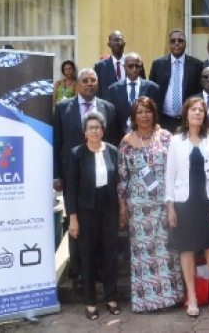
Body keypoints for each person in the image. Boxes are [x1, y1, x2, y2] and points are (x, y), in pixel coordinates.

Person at [54, 68, 121, 290]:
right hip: (74, 178)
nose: (90, 84)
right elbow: (57, 143)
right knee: (76, 226)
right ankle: (79, 272)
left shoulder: (107, 108)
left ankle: (99, 269)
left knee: (100, 227)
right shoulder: (64, 107)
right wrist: (56, 175)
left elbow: (112, 142)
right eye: (85, 81)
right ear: (78, 85)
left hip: (101, 178)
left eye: (93, 80)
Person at [117, 97, 184, 313]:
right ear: (133, 117)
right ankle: (146, 302)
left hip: (164, 202)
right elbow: (122, 177)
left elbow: (176, 168)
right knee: (143, 253)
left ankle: (169, 298)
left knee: (166, 249)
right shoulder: (126, 142)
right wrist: (123, 206)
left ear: (154, 113)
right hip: (138, 206)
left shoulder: (166, 138)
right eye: (139, 112)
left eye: (147, 111)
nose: (144, 115)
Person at [165, 97, 209, 316]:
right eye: (193, 110)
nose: (197, 114)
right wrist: (170, 207)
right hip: (184, 203)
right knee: (187, 248)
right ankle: (191, 295)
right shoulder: (175, 141)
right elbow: (169, 175)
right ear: (186, 114)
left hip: (208, 201)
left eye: (201, 110)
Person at [64, 111, 121, 320]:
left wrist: (121, 208)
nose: (94, 131)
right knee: (87, 257)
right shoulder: (77, 153)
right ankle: (90, 302)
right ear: (85, 132)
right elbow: (70, 188)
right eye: (90, 128)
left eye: (98, 127)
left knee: (110, 255)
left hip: (108, 210)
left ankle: (111, 298)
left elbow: (118, 184)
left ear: (103, 130)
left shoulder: (113, 151)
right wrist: (73, 218)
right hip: (86, 211)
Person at [148, 29, 204, 133]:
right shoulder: (158, 64)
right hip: (163, 120)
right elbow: (151, 91)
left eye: (180, 40)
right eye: (173, 41)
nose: (177, 44)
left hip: (187, 120)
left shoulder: (196, 65)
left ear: (185, 44)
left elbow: (199, 93)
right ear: (169, 44)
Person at [107, 52, 160, 134]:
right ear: (124, 67)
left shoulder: (152, 88)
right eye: (130, 66)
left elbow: (156, 115)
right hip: (121, 137)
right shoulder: (114, 89)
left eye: (137, 66)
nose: (134, 69)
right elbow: (112, 117)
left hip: (146, 135)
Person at [94, 31, 145, 99]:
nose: (117, 43)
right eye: (114, 41)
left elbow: (143, 85)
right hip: (109, 105)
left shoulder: (135, 63)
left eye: (119, 40)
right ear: (109, 44)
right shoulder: (100, 66)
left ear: (124, 43)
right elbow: (97, 90)